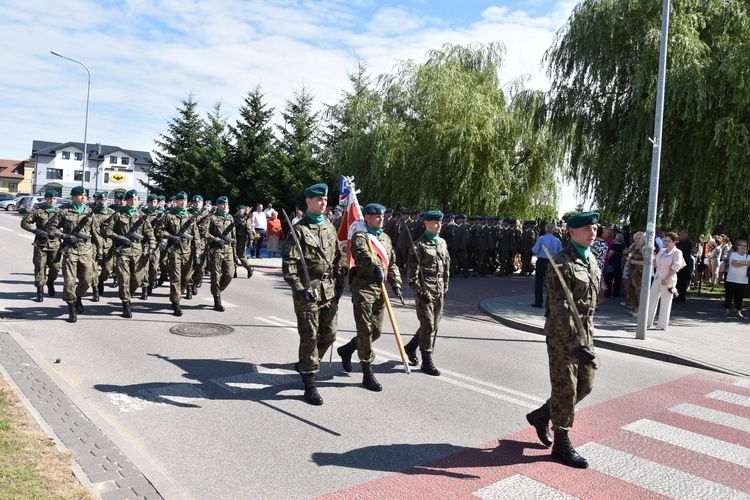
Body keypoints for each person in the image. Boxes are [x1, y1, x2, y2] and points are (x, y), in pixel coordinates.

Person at [526, 211, 601, 469]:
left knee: (586, 385)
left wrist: (585, 341)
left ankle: (542, 414)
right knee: (565, 388)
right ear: (571, 232)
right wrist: (574, 344)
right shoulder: (561, 263)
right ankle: (561, 443)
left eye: (595, 228)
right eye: (587, 229)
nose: (593, 233)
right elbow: (558, 308)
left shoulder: (592, 261)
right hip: (562, 337)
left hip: (585, 334)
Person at [282, 183, 344, 405]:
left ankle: (306, 362)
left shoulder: (329, 226)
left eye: (325, 199)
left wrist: (340, 281)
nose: (323, 202)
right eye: (318, 199)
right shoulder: (298, 230)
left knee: (330, 334)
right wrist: (300, 288)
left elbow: (336, 258)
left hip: (328, 290)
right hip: (307, 292)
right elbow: (288, 267)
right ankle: (309, 381)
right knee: (309, 336)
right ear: (308, 201)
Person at [336, 203, 401, 391]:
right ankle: (367, 371)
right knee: (365, 330)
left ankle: (347, 349)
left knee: (376, 331)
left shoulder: (386, 238)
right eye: (377, 216)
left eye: (382, 216)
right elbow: (362, 255)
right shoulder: (360, 236)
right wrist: (375, 267)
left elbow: (392, 262)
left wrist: (395, 282)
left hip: (380, 289)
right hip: (363, 288)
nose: (381, 219)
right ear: (367, 218)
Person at [403, 210, 450, 375]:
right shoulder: (418, 245)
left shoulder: (442, 243)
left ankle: (410, 347)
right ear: (426, 224)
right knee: (428, 324)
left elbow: (446, 266)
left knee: (433, 325)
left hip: (439, 290)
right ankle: (426, 360)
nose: (438, 226)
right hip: (425, 291)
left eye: (440, 223)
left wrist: (445, 286)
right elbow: (412, 273)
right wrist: (418, 290)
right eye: (435, 223)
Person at [102, 190, 156, 318]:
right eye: (131, 199)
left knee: (138, 279)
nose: (133, 202)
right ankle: (126, 304)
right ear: (126, 200)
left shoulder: (142, 217)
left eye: (135, 199)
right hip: (123, 252)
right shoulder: (118, 215)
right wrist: (118, 237)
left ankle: (127, 294)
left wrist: (152, 248)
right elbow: (105, 229)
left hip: (138, 251)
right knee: (124, 278)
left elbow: (150, 235)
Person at [48, 186, 96, 323]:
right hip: (71, 251)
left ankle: (78, 297)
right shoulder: (64, 212)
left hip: (87, 251)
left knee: (87, 281)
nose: (83, 197)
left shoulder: (90, 213)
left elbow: (96, 234)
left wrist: (100, 252)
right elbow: (51, 228)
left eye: (85, 195)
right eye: (80, 195)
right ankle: (71, 309)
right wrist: (64, 236)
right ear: (73, 197)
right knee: (69, 281)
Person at [160, 191, 199, 316]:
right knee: (175, 278)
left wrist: (197, 253)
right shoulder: (169, 215)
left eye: (185, 200)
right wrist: (170, 236)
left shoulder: (190, 217)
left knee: (186, 278)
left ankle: (176, 295)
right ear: (176, 201)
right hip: (174, 251)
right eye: (181, 200)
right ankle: (176, 302)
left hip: (187, 252)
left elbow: (196, 237)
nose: (183, 202)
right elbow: (159, 230)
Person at [21, 189, 61, 302]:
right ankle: (40, 291)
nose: (51, 200)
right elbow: (24, 223)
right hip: (40, 244)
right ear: (45, 199)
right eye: (49, 198)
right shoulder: (38, 211)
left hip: (55, 244)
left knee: (55, 268)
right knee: (39, 268)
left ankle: (50, 282)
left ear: (56, 199)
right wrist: (35, 231)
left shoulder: (61, 212)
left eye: (54, 198)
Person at [646, 232, 686, 330]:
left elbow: (675, 267)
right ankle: (647, 321)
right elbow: (656, 263)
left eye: (669, 241)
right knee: (652, 299)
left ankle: (662, 325)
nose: (667, 243)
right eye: (666, 241)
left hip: (668, 280)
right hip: (658, 277)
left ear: (674, 242)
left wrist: (667, 278)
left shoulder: (677, 253)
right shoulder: (663, 250)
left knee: (665, 302)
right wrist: (653, 256)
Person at [206, 197, 237, 312]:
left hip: (228, 250)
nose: (225, 206)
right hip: (216, 250)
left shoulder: (230, 217)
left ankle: (218, 290)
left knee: (229, 274)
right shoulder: (212, 218)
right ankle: (217, 300)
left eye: (226, 204)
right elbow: (204, 232)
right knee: (215, 275)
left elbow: (233, 237)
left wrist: (235, 253)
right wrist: (215, 239)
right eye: (222, 204)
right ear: (218, 205)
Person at [531, 222, 563, 308]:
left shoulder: (541, 238)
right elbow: (560, 253)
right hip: (552, 262)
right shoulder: (557, 240)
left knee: (539, 282)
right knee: (551, 283)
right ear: (554, 230)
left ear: (545, 229)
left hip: (541, 261)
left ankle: (538, 302)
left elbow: (535, 250)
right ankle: (550, 303)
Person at [722, 240, 750, 318]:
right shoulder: (733, 254)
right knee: (729, 296)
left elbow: (749, 263)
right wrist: (744, 263)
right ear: (737, 246)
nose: (744, 247)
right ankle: (727, 310)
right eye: (742, 245)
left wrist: (739, 262)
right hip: (731, 279)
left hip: (743, 280)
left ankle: (739, 312)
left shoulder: (748, 255)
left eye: (745, 246)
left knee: (740, 297)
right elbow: (733, 264)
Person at [627, 231, 646, 317]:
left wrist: (635, 262)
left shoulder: (645, 248)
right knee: (632, 290)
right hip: (632, 271)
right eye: (636, 238)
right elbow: (628, 255)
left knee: (639, 290)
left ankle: (639, 309)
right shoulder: (633, 246)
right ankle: (634, 307)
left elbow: (647, 262)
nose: (637, 240)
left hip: (640, 273)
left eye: (639, 238)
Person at [675, 230, 693, 302]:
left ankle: (682, 297)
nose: (679, 235)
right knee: (677, 281)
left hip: (684, 265)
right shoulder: (678, 244)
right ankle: (677, 296)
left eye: (681, 234)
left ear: (685, 236)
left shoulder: (688, 244)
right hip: (677, 264)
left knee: (683, 282)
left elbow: (685, 254)